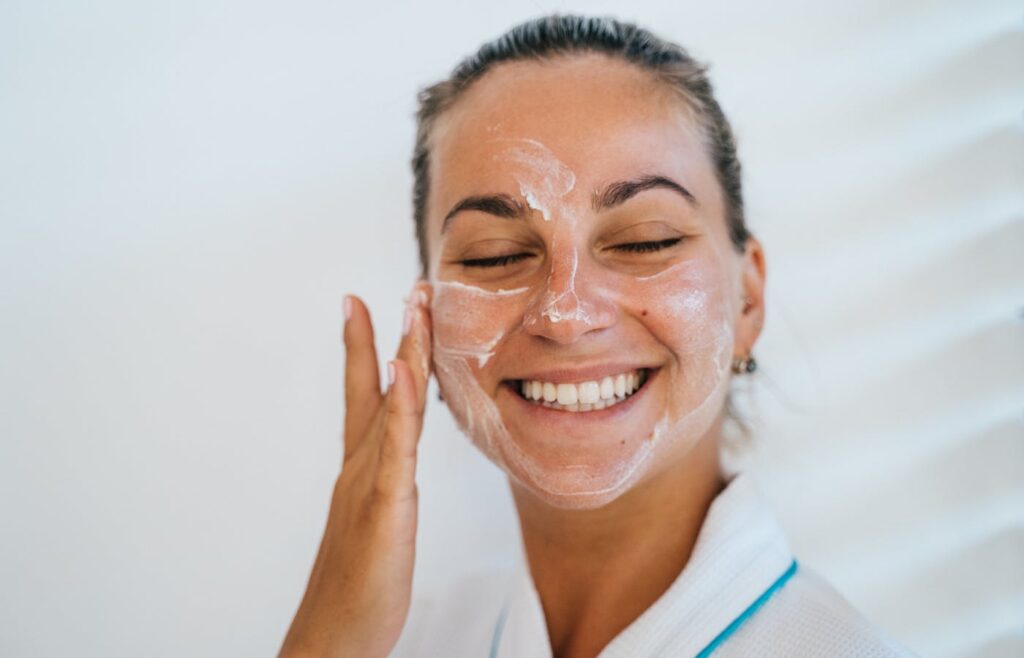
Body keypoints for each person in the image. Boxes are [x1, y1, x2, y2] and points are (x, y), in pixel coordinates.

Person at [279, 14, 915, 658]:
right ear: (428, 320)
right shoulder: (401, 642)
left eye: (647, 241)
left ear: (747, 299)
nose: (566, 313)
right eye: (494, 255)